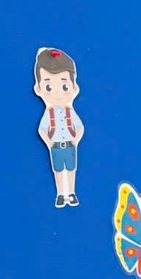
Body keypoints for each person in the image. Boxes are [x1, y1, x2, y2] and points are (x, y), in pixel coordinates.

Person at [34, 46, 85, 208]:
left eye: (64, 87)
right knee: (58, 171)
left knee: (71, 170)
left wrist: (75, 140)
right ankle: (61, 194)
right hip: (56, 147)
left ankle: (71, 192)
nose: (57, 94)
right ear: (38, 89)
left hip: (70, 145)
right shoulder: (48, 114)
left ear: (74, 88)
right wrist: (49, 143)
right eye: (49, 87)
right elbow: (42, 130)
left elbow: (80, 127)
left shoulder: (70, 112)